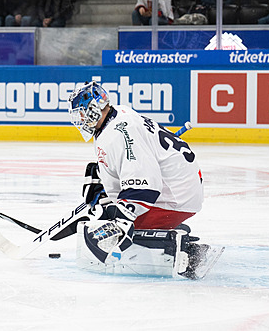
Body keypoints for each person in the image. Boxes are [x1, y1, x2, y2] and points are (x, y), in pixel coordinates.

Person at [68, 81, 212, 279]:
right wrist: (104, 184)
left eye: (82, 112)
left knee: (113, 222)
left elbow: (145, 185)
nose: (81, 118)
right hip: (179, 186)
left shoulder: (119, 131)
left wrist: (122, 217)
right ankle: (168, 232)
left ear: (94, 108)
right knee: (110, 210)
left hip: (176, 196)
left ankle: (181, 249)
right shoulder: (118, 115)